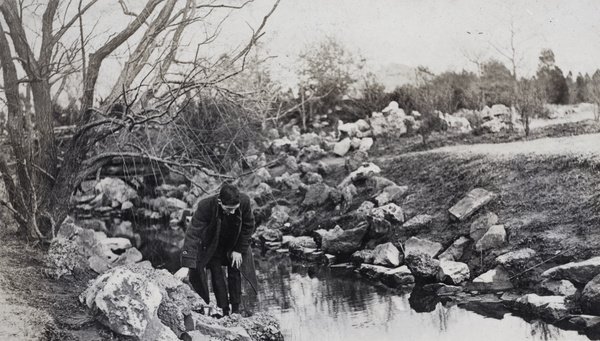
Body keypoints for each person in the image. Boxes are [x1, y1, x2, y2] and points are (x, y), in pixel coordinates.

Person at [174, 183, 258, 317]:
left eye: (235, 209)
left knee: (235, 271)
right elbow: (193, 235)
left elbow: (248, 226)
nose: (232, 212)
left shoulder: (244, 202)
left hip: (234, 243)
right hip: (213, 245)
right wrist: (186, 265)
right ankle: (224, 310)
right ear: (220, 202)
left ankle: (236, 310)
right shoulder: (205, 206)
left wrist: (239, 250)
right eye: (228, 209)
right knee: (216, 273)